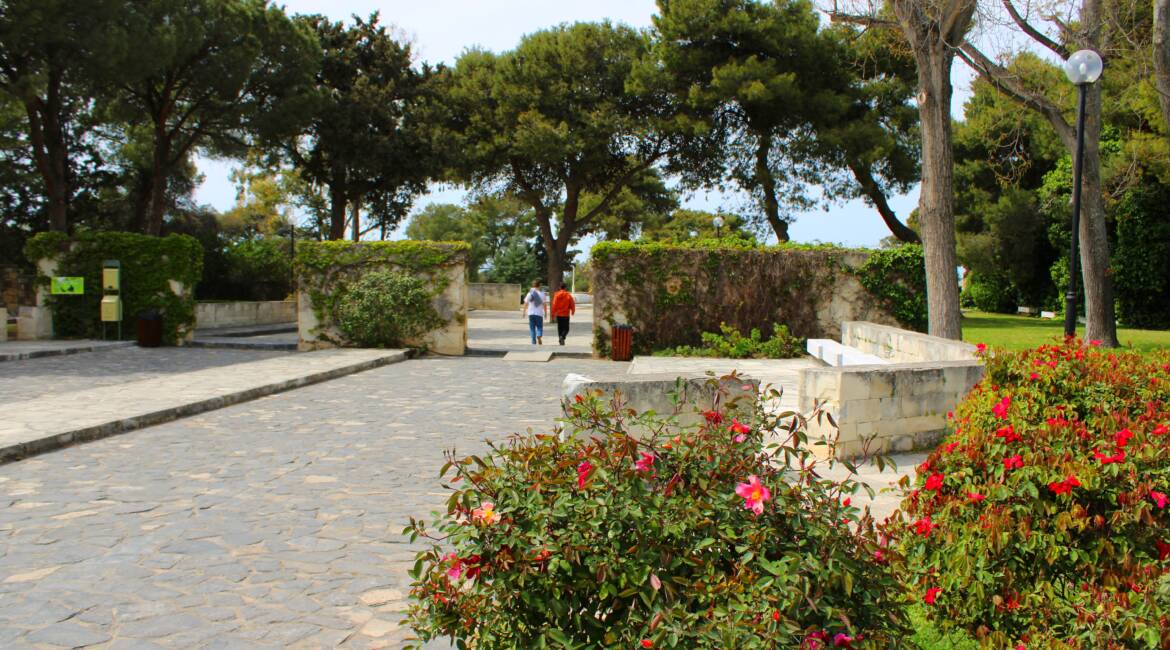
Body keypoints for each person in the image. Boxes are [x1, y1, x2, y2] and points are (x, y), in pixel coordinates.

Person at [522, 279, 548, 345]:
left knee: (532, 328)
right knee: (539, 327)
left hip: (531, 313)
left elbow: (526, 303)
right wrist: (545, 313)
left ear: (533, 285)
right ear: (540, 285)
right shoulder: (542, 294)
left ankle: (533, 341)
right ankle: (539, 335)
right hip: (539, 313)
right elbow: (545, 305)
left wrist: (524, 312)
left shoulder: (530, 293)